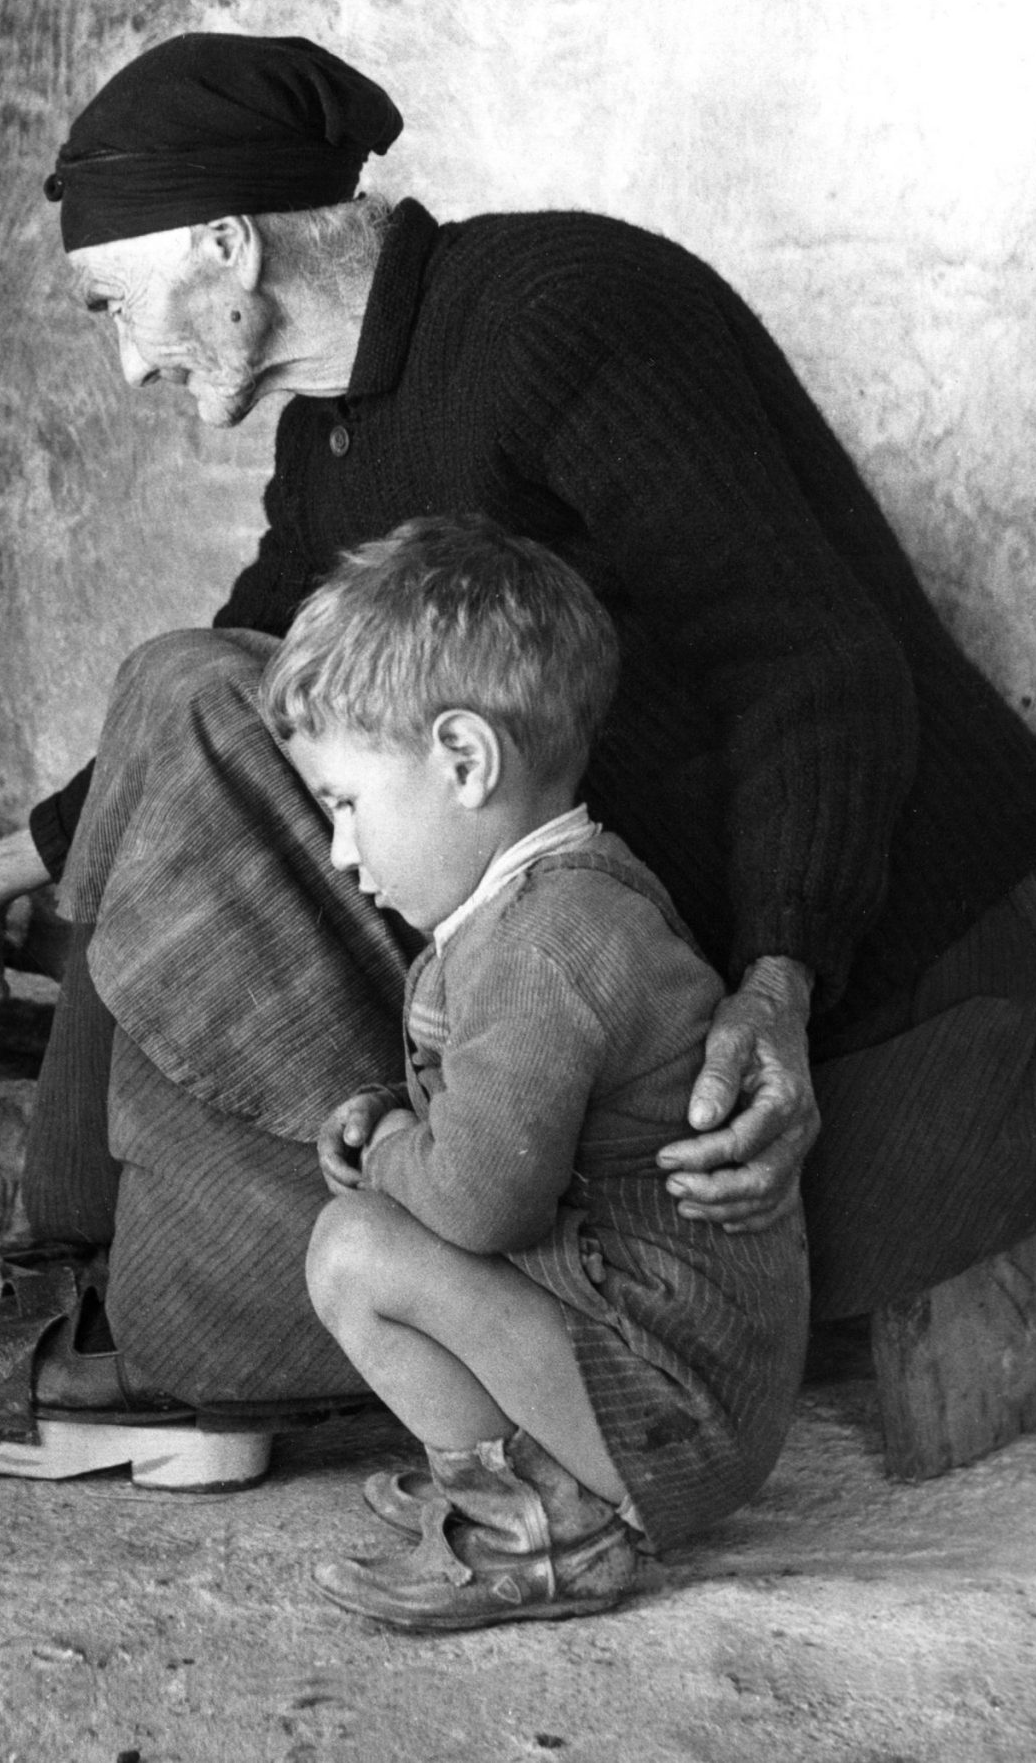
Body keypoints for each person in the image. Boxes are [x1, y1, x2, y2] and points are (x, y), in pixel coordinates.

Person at [0, 32, 1036, 1456]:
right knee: (189, 689)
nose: (124, 358)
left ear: (225, 246)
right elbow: (253, 658)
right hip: (623, 907)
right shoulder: (335, 433)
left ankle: (183, 1328)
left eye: (110, 304)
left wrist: (781, 978)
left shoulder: (566, 315)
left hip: (897, 940)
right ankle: (108, 1277)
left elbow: (813, 657)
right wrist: (15, 854)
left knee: (199, 706)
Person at [270, 515, 806, 1629]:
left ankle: (546, 1527)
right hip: (672, 1380)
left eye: (346, 804)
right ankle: (526, 1477)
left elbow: (478, 1200)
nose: (341, 853)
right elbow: (503, 1120)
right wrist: (394, 1115)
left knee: (354, 1249)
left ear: (464, 761)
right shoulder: (546, 903)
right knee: (376, 1224)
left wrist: (383, 1149)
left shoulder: (545, 945)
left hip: (676, 1413)